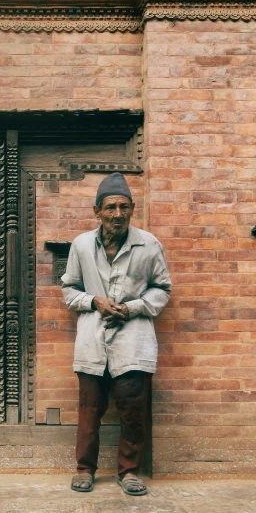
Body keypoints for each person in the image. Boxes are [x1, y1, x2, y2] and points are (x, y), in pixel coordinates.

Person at [61, 172, 171, 496]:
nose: (117, 214)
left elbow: (163, 289)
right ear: (97, 211)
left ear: (132, 208)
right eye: (110, 208)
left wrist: (133, 307)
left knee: (133, 410)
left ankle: (129, 471)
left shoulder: (149, 245)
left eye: (124, 207)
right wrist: (94, 300)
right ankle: (84, 469)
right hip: (92, 338)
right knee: (89, 409)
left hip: (133, 338)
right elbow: (69, 289)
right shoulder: (81, 245)